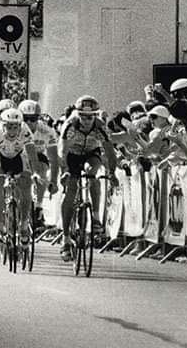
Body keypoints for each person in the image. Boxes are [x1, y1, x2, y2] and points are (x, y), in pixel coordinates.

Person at [57, 95, 118, 262]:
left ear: (95, 115)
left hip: (91, 153)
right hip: (72, 155)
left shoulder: (100, 126)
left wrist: (112, 172)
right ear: (77, 114)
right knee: (71, 189)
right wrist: (65, 171)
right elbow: (62, 151)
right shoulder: (70, 125)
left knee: (93, 174)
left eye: (90, 116)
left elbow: (110, 152)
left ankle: (96, 218)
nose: (86, 120)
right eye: (82, 116)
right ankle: (66, 237)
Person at [0, 107, 40, 251]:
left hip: (18, 157)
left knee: (26, 182)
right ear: (3, 125)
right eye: (9, 127)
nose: (12, 130)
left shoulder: (25, 130)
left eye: (15, 127)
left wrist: (35, 173)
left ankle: (23, 223)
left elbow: (33, 157)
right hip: (0, 157)